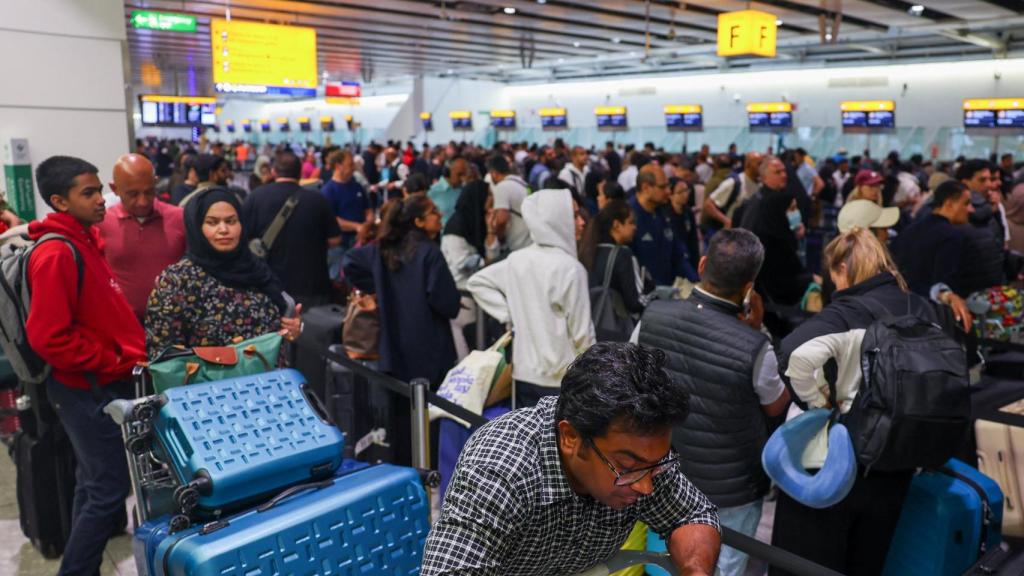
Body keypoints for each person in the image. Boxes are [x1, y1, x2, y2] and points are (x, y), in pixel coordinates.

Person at [421, 343, 721, 576]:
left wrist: (694, 570)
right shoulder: (502, 469)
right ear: (570, 438)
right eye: (628, 468)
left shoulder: (642, 460)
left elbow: (692, 514)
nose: (645, 488)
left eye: (655, 466)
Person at [772, 228, 958, 576]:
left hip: (838, 459)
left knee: (805, 562)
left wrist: (817, 400)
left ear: (843, 268)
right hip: (900, 460)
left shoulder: (846, 311)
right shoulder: (926, 308)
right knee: (866, 562)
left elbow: (790, 352)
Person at [634, 229, 790, 576]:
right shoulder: (754, 346)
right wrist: (758, 331)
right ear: (749, 287)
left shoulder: (653, 316)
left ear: (703, 264)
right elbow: (777, 404)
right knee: (725, 568)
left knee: (667, 561)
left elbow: (634, 379)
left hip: (665, 471)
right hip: (732, 488)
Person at [25, 156, 146, 576]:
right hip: (88, 389)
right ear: (60, 201)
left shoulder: (83, 240)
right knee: (107, 490)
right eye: (89, 193)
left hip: (100, 383)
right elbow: (48, 336)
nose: (102, 201)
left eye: (101, 190)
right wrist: (108, 359)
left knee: (93, 484)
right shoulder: (57, 252)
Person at [343, 195, 461, 464]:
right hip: (429, 348)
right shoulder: (429, 252)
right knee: (430, 420)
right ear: (418, 221)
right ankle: (428, 475)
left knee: (399, 423)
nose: (439, 215)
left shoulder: (384, 249)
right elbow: (447, 303)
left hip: (393, 347)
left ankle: (405, 474)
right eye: (433, 211)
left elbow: (350, 262)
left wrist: (375, 290)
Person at [468, 188, 594, 408]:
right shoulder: (570, 269)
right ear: (557, 219)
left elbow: (477, 282)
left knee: (529, 439)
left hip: (522, 375)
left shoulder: (518, 259)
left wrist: (508, 316)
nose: (581, 222)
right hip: (563, 378)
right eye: (573, 215)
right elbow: (583, 337)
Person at [145, 187, 302, 357]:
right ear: (196, 227)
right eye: (212, 222)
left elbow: (279, 334)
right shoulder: (177, 281)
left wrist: (292, 331)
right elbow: (162, 353)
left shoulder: (256, 269)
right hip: (206, 382)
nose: (224, 229)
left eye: (231, 221)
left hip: (266, 379)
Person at [242, 151, 342, 307]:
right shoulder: (318, 200)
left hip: (268, 286)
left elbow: (243, 238)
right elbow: (335, 239)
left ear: (274, 171)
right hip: (312, 286)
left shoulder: (255, 197)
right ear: (301, 173)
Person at [95, 154, 186, 323]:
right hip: (122, 325)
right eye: (133, 194)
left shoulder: (179, 218)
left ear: (156, 182)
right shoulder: (101, 223)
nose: (143, 202)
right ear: (114, 189)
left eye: (149, 192)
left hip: (175, 323)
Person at [894, 179, 997, 311]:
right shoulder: (952, 236)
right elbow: (946, 283)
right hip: (935, 312)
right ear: (948, 204)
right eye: (966, 203)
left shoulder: (911, 229)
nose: (971, 209)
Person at [631, 165, 698, 286]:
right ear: (646, 187)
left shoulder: (663, 213)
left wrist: (696, 281)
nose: (668, 191)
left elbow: (678, 255)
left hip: (667, 292)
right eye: (662, 187)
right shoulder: (629, 216)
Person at [752, 186, 817, 307]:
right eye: (792, 208)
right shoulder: (770, 245)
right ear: (779, 212)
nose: (797, 212)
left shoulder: (783, 237)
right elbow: (780, 286)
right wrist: (810, 279)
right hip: (777, 310)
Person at [579, 199, 647, 314]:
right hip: (614, 324)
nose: (635, 227)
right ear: (616, 225)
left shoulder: (588, 249)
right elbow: (634, 302)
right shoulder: (622, 254)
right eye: (631, 222)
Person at [702, 152, 762, 232]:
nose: (762, 167)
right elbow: (708, 204)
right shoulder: (734, 183)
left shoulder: (761, 185)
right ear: (747, 164)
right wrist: (726, 221)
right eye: (759, 164)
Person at [487, 153, 532, 253]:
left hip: (517, 244)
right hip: (530, 240)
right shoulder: (523, 183)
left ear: (494, 173)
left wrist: (499, 238)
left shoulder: (501, 187)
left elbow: (502, 219)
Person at [670, 178, 701, 272]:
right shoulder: (665, 214)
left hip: (688, 256)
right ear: (670, 195)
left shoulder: (688, 212)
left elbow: (693, 240)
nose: (685, 195)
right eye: (680, 192)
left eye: (686, 190)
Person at [429, 157, 469, 227]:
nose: (463, 179)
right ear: (447, 172)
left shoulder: (465, 190)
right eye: (459, 174)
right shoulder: (432, 192)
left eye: (465, 174)